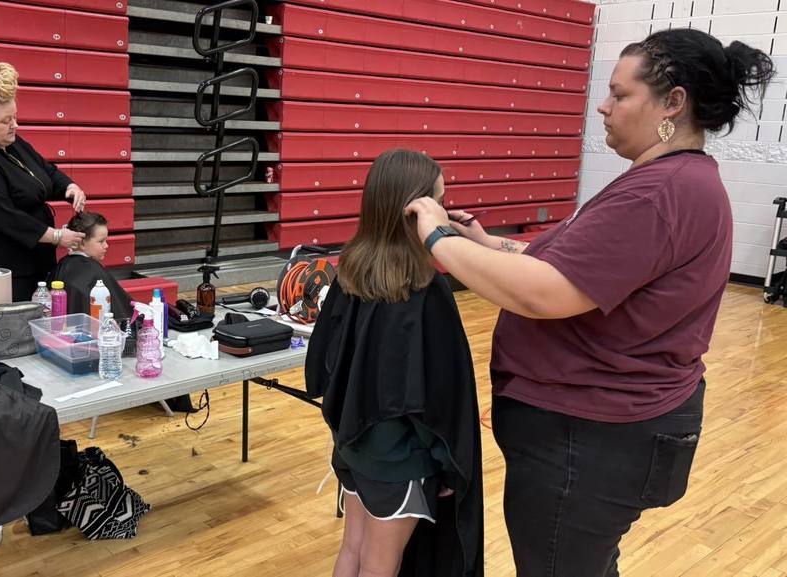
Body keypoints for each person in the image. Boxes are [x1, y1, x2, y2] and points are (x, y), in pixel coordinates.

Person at [404, 29, 775, 576]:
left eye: (620, 95)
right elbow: (572, 264)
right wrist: (486, 243)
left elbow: (542, 292)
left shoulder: (661, 191)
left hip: (591, 440)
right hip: (597, 433)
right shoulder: (663, 181)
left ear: (673, 103)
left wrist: (439, 238)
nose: (602, 106)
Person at [306, 149, 483, 577]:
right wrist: (445, 464)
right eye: (440, 198)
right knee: (380, 566)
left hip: (353, 444)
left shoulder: (351, 271)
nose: (445, 206)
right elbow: (435, 398)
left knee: (353, 549)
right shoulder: (424, 291)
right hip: (399, 458)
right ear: (417, 210)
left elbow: (327, 364)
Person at [0, 62, 89, 302]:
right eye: (6, 121)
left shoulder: (12, 143)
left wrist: (69, 187)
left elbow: (45, 170)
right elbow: (4, 216)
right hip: (0, 270)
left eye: (15, 117)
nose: (15, 125)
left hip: (32, 261)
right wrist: (57, 237)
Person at [49, 211, 134, 320]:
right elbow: (124, 315)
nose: (106, 246)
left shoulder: (63, 264)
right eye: (101, 241)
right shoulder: (94, 272)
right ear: (81, 243)